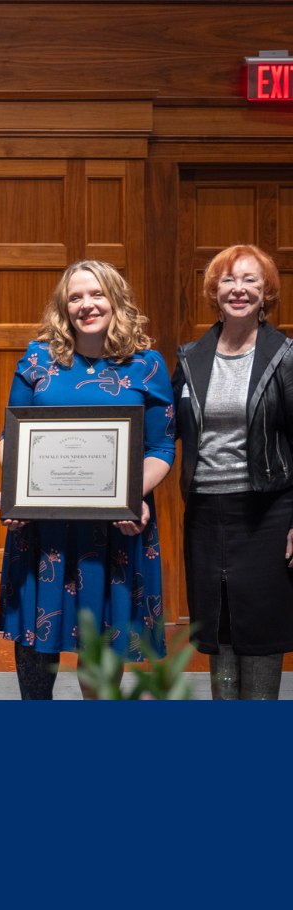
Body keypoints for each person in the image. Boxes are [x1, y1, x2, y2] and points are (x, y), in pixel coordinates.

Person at [0, 260, 176, 699]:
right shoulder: (39, 358)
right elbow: (10, 437)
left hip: (113, 528)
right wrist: (14, 490)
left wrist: (131, 496)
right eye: (75, 297)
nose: (86, 305)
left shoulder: (147, 366)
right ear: (63, 306)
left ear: (115, 300)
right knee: (38, 648)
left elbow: (162, 450)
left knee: (101, 649)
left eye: (96, 294)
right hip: (43, 528)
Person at [173, 244, 293, 699]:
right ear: (214, 291)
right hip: (206, 516)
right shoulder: (189, 358)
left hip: (267, 514)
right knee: (219, 632)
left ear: (266, 293)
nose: (238, 289)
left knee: (261, 634)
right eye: (228, 280)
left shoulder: (286, 356)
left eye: (250, 280)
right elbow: (166, 433)